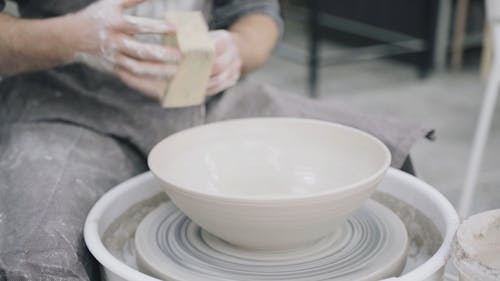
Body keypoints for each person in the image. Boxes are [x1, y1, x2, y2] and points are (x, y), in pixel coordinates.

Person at [0, 0, 429, 280]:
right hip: (67, 100)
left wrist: (238, 49)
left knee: (391, 163)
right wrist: (71, 38)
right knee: (38, 258)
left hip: (206, 93)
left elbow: (259, 14)